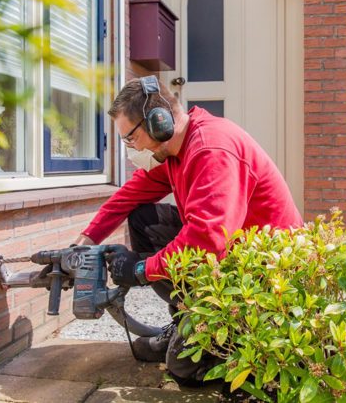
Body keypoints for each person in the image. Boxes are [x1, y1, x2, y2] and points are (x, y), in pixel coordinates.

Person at [74, 75, 302, 382]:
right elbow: (130, 195)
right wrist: (86, 241)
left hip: (264, 281)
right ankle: (187, 320)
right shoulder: (176, 153)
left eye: (130, 138)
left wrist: (141, 269)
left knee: (183, 368)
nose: (130, 149)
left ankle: (233, 345)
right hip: (231, 258)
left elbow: (208, 241)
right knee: (144, 218)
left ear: (158, 122)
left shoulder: (211, 150)